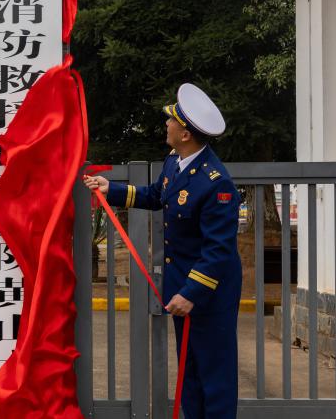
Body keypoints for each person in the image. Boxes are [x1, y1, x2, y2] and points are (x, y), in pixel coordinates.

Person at [83, 83, 241, 419]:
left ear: (185, 134)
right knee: (190, 372)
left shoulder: (217, 183)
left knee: (215, 376)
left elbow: (219, 250)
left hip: (208, 294)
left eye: (171, 121)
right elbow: (155, 195)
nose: (165, 124)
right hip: (183, 288)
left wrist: (192, 293)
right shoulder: (175, 162)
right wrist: (110, 189)